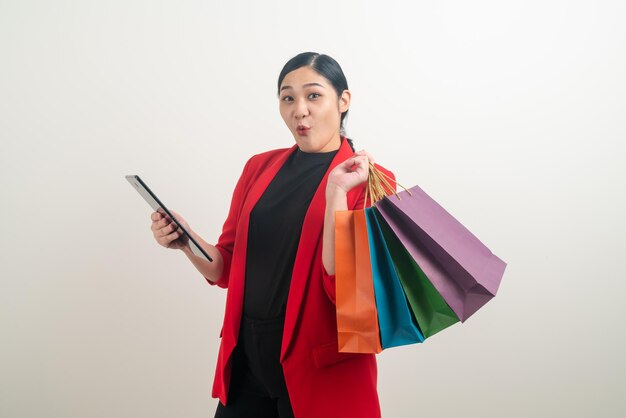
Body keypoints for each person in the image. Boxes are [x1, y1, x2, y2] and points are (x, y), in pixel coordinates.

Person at [149, 52, 395, 418]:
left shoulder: (373, 181)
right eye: (288, 97)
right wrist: (186, 240)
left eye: (313, 95)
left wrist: (336, 194)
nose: (299, 110)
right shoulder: (259, 168)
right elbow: (226, 268)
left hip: (322, 369)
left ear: (343, 101)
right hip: (248, 361)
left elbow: (344, 287)